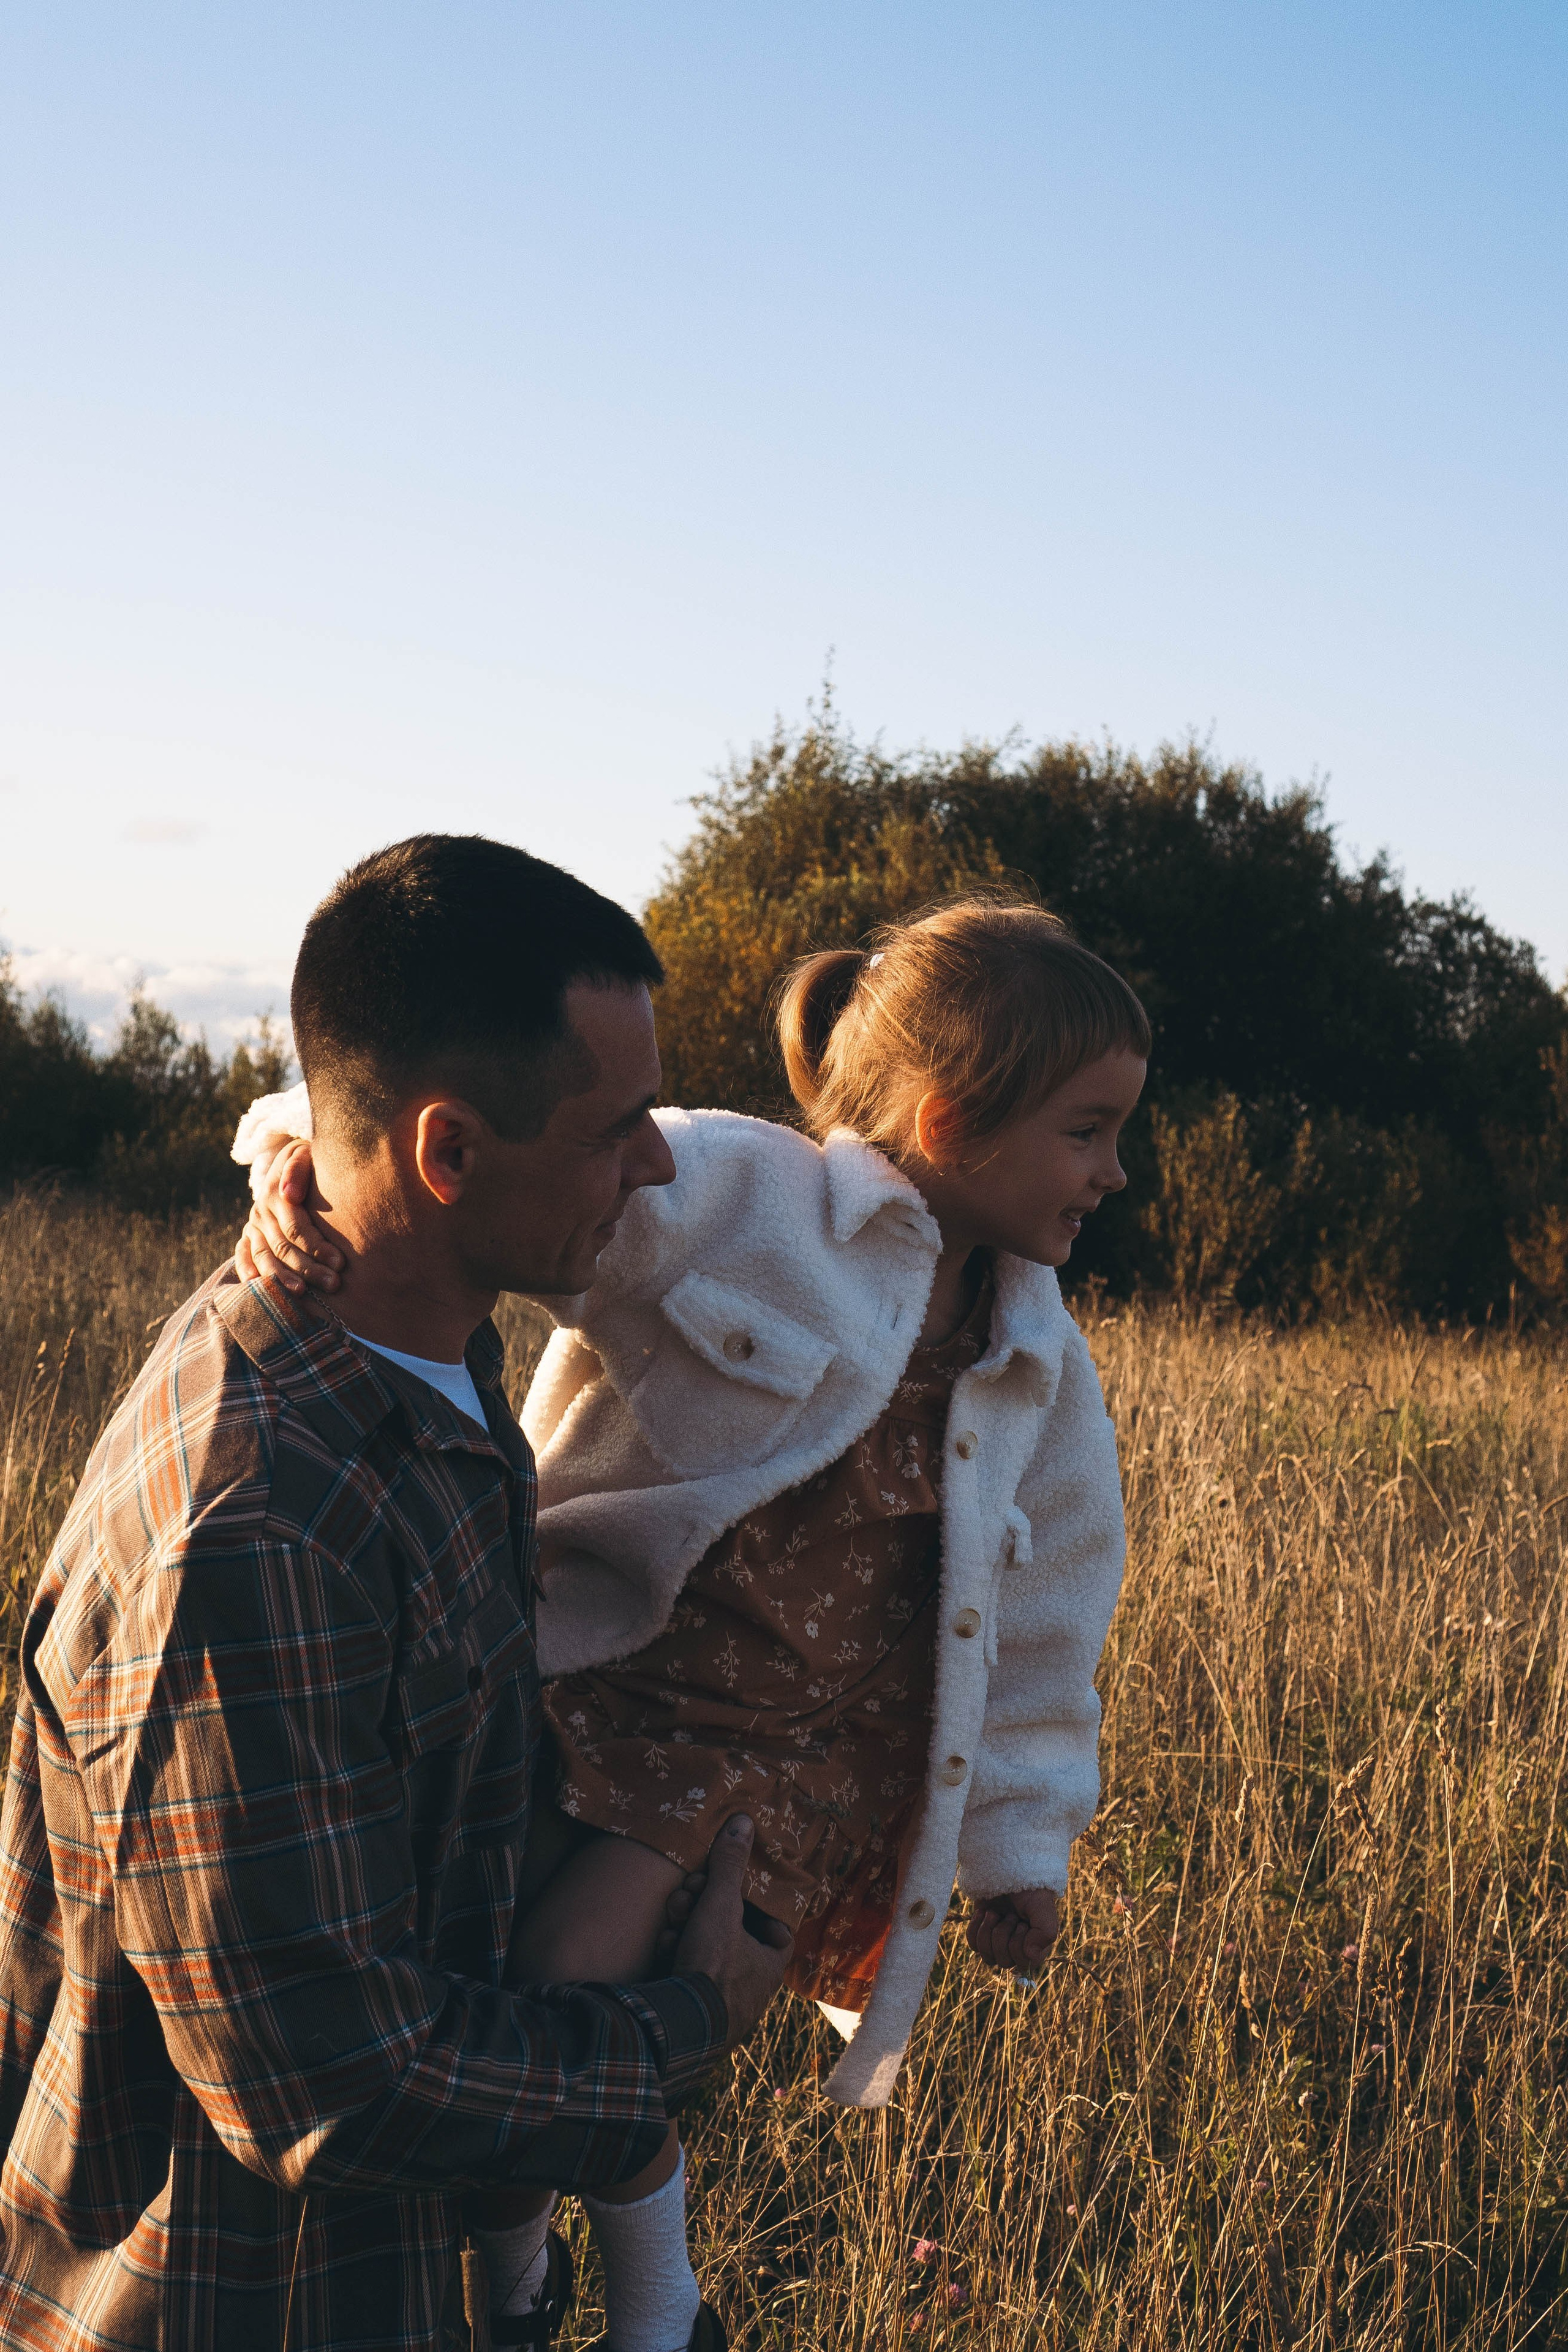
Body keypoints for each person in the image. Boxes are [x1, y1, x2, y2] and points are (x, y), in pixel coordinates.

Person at [238, 893, 1148, 2345]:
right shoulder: (752, 1200)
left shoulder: (1035, 1363)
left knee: (568, 1987)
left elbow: (1046, 1618)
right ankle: (530, 2284)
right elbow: (416, 1128)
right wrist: (295, 1171)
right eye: (1086, 1130)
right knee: (499, 1979)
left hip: (796, 1759)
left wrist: (1017, 1851)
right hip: (619, 1687)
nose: (1112, 1174)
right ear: (948, 1114)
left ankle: (642, 2312)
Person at [0, 834, 789, 2352]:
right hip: (228, 2304)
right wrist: (687, 2024)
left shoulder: (418, 1360)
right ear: (446, 1156)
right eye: (614, 1127)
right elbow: (320, 2082)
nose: (661, 1164)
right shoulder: (254, 1524)